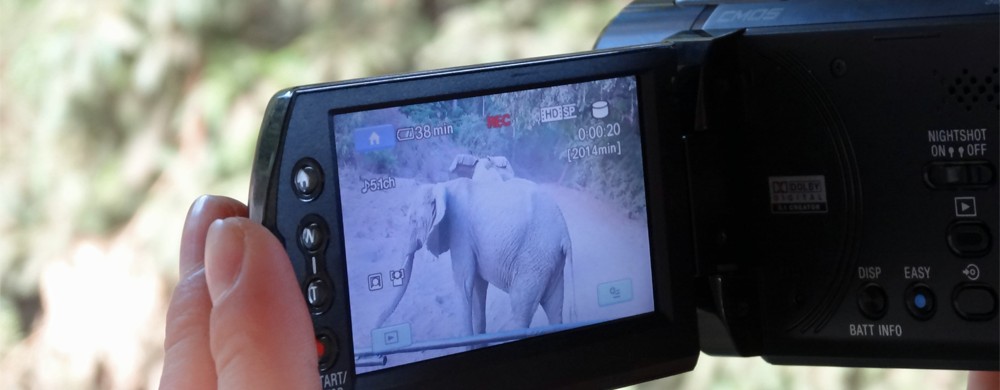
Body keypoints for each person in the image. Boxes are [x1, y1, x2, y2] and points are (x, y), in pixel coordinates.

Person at [160, 195, 999, 389]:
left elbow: (473, 311)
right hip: (535, 225)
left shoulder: (453, 229)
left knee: (519, 325)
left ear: (433, 216)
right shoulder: (455, 216)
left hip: (517, 234)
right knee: (552, 322)